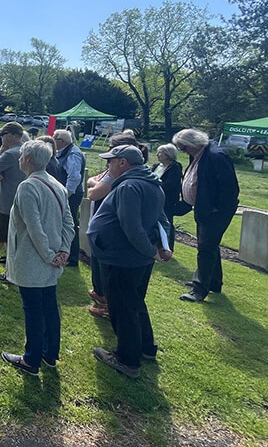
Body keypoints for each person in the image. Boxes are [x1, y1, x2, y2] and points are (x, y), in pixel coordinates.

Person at [85, 145, 172, 379]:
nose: (107, 166)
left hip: (122, 258)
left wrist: (153, 251)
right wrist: (163, 245)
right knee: (134, 302)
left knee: (122, 308)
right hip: (134, 257)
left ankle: (127, 359)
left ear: (123, 162)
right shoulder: (152, 183)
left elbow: (131, 227)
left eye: (111, 161)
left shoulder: (130, 186)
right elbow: (162, 219)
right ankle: (145, 347)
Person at [0, 140, 75, 375]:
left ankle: (31, 359)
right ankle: (50, 353)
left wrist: (51, 255)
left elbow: (34, 227)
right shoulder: (57, 185)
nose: (20, 159)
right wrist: (63, 251)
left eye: (22, 156)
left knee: (33, 309)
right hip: (51, 258)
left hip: (34, 260)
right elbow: (69, 224)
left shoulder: (28, 187)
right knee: (49, 306)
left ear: (29, 159)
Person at [83, 131, 149, 319]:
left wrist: (94, 184)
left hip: (114, 240)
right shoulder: (116, 171)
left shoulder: (123, 179)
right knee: (101, 268)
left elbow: (94, 193)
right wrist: (94, 182)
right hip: (106, 233)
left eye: (112, 149)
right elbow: (94, 182)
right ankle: (104, 297)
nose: (108, 153)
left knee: (112, 277)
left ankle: (109, 305)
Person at [174, 129, 240, 303]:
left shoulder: (216, 156)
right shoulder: (198, 153)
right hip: (204, 208)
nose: (183, 152)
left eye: (183, 148)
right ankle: (214, 282)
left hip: (216, 211)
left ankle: (199, 289)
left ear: (193, 144)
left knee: (205, 248)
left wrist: (216, 208)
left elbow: (230, 188)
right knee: (209, 245)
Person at [0, 122, 27, 281]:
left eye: (3, 135)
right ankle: (7, 267)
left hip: (5, 202)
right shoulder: (23, 150)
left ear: (10, 136)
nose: (1, 138)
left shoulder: (10, 154)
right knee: (9, 236)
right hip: (15, 199)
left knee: (4, 235)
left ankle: (10, 273)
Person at [54, 129, 85, 266]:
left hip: (70, 195)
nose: (53, 141)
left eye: (55, 139)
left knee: (69, 224)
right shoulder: (65, 151)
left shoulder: (73, 154)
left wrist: (66, 195)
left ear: (62, 141)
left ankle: (72, 258)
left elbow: (74, 177)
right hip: (66, 194)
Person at [151, 143, 185, 251]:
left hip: (167, 200)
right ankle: (155, 244)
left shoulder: (175, 167)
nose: (157, 154)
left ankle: (167, 247)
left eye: (160, 152)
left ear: (168, 154)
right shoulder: (156, 166)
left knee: (166, 222)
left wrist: (154, 186)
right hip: (153, 198)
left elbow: (171, 184)